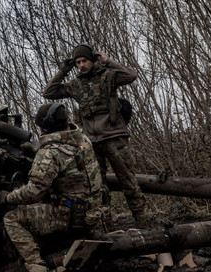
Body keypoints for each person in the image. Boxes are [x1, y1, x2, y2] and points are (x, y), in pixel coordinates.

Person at [42, 44, 149, 227]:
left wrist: (108, 62)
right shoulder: (75, 85)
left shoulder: (107, 76)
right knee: (99, 189)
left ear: (92, 60)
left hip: (115, 137)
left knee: (129, 183)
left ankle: (145, 225)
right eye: (78, 62)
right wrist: (64, 70)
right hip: (92, 142)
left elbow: (131, 76)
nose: (82, 65)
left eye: (84, 61)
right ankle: (108, 229)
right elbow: (49, 92)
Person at [0, 103, 103, 272]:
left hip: (71, 218)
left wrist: (7, 197)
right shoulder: (83, 139)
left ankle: (36, 266)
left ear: (44, 127)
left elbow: (33, 193)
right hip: (92, 212)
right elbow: (66, 159)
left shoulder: (50, 153)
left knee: (11, 218)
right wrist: (36, 151)